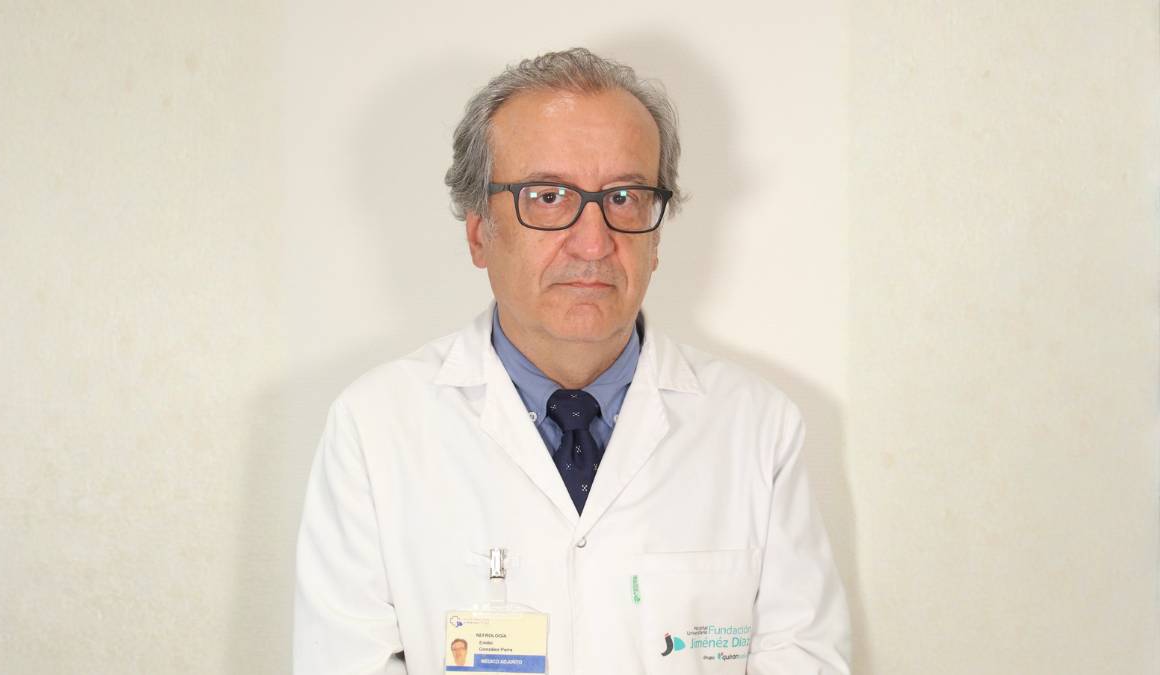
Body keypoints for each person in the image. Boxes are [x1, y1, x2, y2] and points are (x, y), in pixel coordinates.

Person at [294, 47, 850, 674]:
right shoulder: (376, 428)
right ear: (479, 232)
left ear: (657, 235)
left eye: (624, 197)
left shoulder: (757, 428)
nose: (593, 242)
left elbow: (801, 659)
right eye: (549, 196)